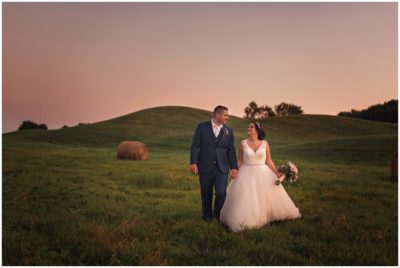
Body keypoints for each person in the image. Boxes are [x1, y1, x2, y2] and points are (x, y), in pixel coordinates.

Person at [220, 122, 301, 232]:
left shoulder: (265, 143)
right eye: (248, 126)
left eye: (251, 127)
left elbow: (268, 160)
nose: (248, 128)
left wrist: (277, 173)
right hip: (246, 172)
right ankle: (245, 220)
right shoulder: (243, 143)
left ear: (257, 130)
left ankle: (268, 215)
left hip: (263, 172)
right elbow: (240, 160)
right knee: (246, 198)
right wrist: (234, 170)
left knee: (266, 196)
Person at [190, 105, 238, 222]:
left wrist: (233, 167)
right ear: (217, 114)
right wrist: (193, 162)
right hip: (205, 166)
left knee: (221, 193)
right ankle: (207, 217)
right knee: (206, 194)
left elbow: (230, 150)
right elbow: (195, 146)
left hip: (222, 168)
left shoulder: (229, 131)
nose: (227, 117)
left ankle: (217, 215)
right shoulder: (202, 127)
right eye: (225, 115)